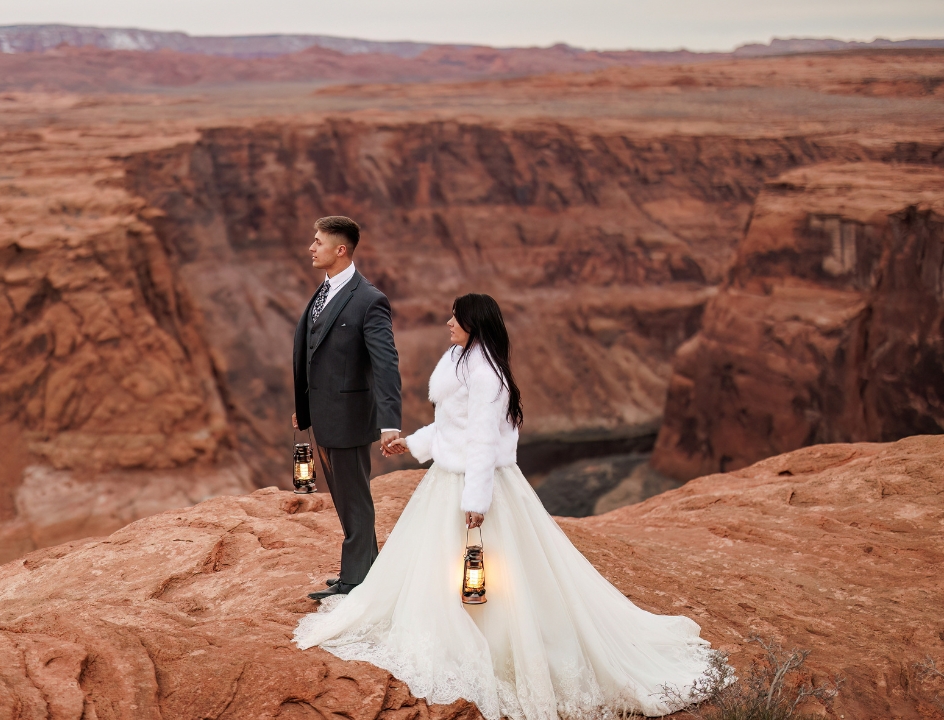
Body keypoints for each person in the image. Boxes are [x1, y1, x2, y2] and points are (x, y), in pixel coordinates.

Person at [294, 293, 718, 719]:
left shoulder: (486, 376)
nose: (446, 324)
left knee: (489, 570)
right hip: (448, 477)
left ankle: (491, 640)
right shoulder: (464, 361)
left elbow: (481, 443)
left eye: (454, 319)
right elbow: (452, 426)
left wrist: (475, 501)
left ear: (473, 325)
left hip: (475, 482)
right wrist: (415, 443)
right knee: (446, 565)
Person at [292, 216, 402, 601]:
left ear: (340, 249)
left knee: (354, 500)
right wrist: (303, 406)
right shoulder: (323, 292)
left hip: (351, 419)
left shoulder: (369, 300)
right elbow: (314, 354)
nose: (311, 247)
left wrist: (390, 423)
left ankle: (356, 581)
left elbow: (386, 364)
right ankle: (366, 572)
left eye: (318, 242)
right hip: (324, 417)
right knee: (346, 499)